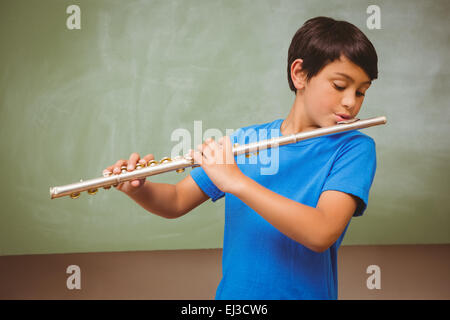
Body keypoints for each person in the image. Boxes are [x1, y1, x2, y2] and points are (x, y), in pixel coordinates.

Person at [104, 16, 378, 300]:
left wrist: (237, 182)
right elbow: (175, 200)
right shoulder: (246, 141)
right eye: (339, 85)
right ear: (300, 74)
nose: (351, 102)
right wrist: (138, 187)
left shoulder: (354, 149)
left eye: (361, 92)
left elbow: (321, 232)